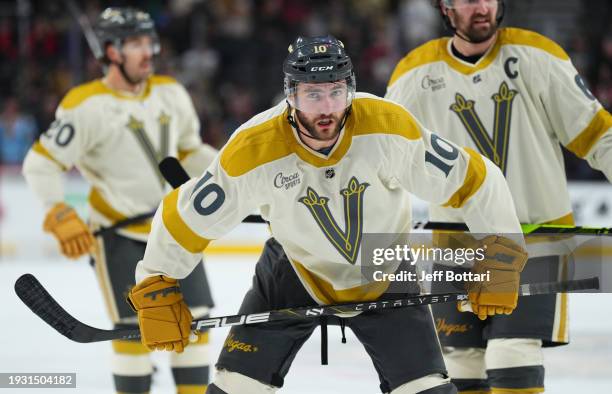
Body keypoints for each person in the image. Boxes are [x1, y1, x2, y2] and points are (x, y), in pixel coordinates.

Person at [127, 35, 529, 394]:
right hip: (295, 270)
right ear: (290, 96)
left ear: (350, 90)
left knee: (427, 390)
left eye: (336, 92)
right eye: (312, 95)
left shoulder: (388, 127)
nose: (327, 108)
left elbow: (477, 179)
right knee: (234, 388)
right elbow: (182, 217)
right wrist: (156, 285)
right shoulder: (253, 149)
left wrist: (501, 252)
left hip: (384, 270)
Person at [385, 1, 612, 393]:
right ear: (445, 7)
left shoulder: (539, 57)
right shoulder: (413, 74)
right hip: (454, 245)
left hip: (535, 239)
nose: (482, 7)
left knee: (513, 352)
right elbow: (379, 157)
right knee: (458, 364)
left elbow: (598, 136)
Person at [22, 7, 218, 394]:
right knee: (133, 333)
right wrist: (59, 212)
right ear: (111, 51)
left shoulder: (171, 93)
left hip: (176, 232)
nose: (148, 52)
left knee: (195, 325)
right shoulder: (85, 105)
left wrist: (234, 176)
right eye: (135, 44)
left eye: (149, 42)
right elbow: (39, 164)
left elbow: (190, 150)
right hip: (118, 236)